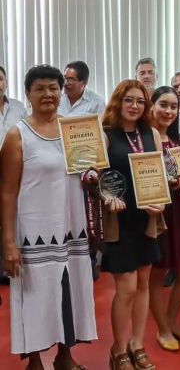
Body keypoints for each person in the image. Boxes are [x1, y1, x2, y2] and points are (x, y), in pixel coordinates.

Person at [1, 64, 96, 370]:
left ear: (62, 91)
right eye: (39, 88)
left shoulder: (75, 129)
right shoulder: (17, 136)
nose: (47, 94)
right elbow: (7, 192)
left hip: (71, 229)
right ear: (27, 94)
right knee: (36, 299)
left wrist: (95, 175)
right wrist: (8, 243)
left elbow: (87, 172)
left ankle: (65, 356)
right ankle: (34, 361)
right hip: (33, 233)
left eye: (53, 88)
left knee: (69, 294)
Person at [96, 79, 166, 369]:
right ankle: (119, 349)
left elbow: (160, 175)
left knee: (143, 284)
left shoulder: (151, 133)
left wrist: (162, 202)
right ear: (117, 102)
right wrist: (107, 197)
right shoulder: (105, 135)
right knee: (125, 288)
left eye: (140, 101)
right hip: (120, 220)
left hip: (147, 218)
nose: (135, 106)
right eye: (129, 100)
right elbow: (94, 177)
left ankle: (138, 344)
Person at [148, 86, 180, 352]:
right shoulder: (143, 139)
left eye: (173, 106)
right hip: (155, 212)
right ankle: (163, 328)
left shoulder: (178, 141)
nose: (168, 111)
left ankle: (169, 320)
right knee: (157, 273)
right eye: (163, 105)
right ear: (152, 106)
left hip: (178, 210)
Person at [59, 60, 107, 283]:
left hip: (86, 167)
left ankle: (89, 259)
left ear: (83, 82)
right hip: (59, 164)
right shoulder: (56, 98)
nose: (66, 83)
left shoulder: (96, 104)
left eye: (71, 79)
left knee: (89, 216)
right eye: (65, 78)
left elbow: (100, 137)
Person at [0, 65, 27, 292]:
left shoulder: (18, 107)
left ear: (6, 82)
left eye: (0, 79)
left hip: (14, 169)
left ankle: (7, 263)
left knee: (10, 215)